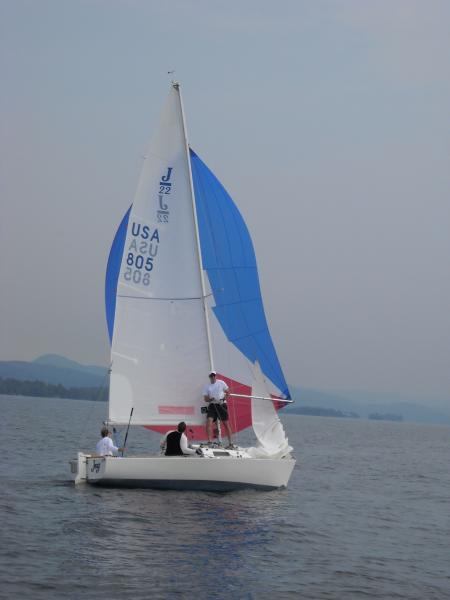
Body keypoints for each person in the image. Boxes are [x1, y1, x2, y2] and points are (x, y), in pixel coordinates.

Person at [203, 371, 234, 448]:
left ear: (215, 376)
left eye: (214, 375)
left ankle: (231, 443)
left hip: (221, 405)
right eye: (211, 375)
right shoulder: (207, 386)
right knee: (209, 422)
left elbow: (228, 392)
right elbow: (205, 399)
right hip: (212, 405)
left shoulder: (221, 382)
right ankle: (210, 442)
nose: (212, 377)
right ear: (209, 377)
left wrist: (223, 399)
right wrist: (210, 399)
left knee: (226, 424)